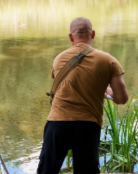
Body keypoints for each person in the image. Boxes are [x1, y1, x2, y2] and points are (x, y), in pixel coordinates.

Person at [36, 17, 128, 174]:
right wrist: (106, 91)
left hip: (57, 124)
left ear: (70, 37)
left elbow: (67, 85)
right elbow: (122, 98)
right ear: (93, 34)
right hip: (87, 125)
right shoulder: (108, 60)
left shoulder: (59, 59)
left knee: (47, 171)